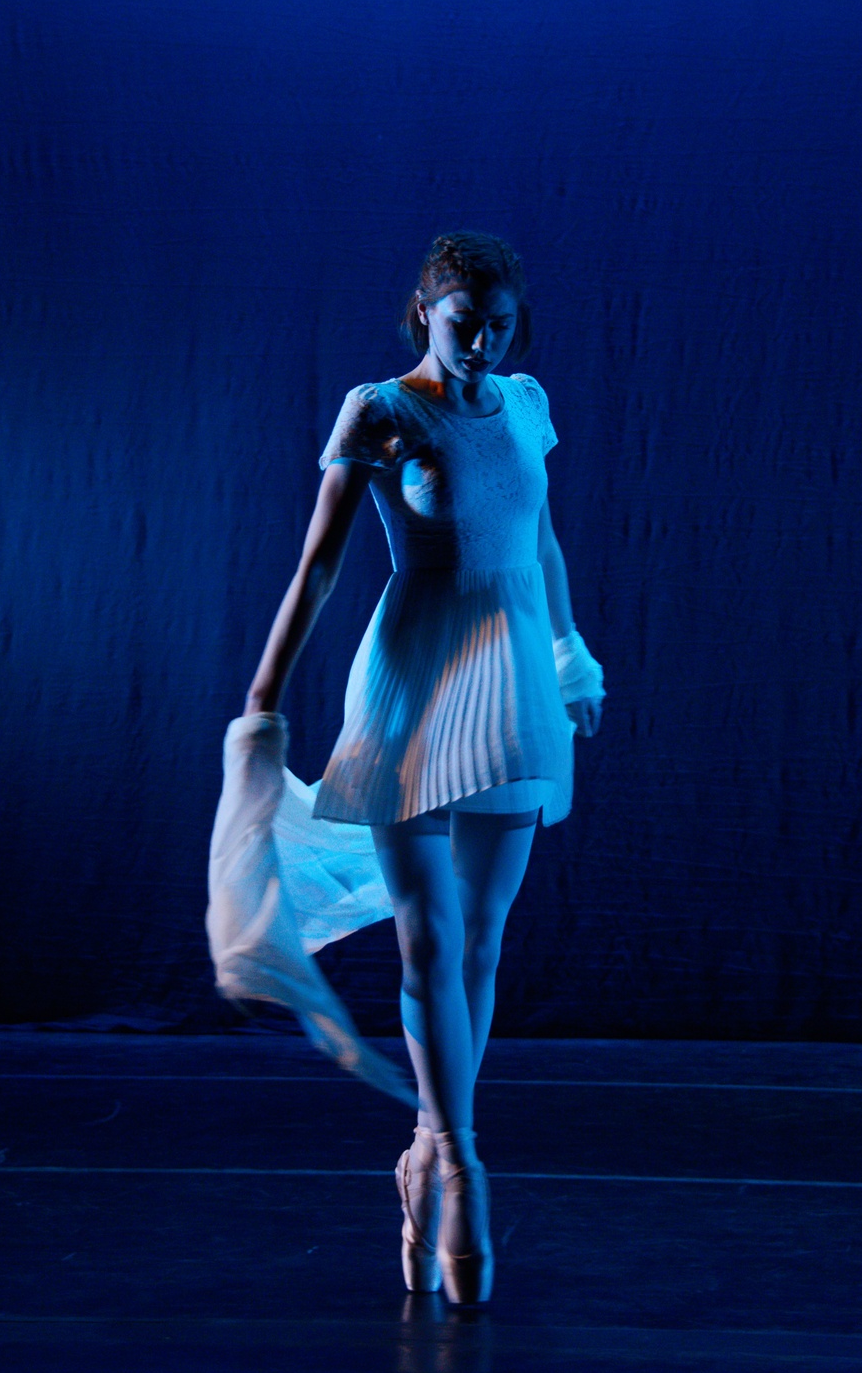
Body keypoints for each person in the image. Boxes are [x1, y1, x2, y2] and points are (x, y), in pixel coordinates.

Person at [239, 231, 604, 1304]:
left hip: (514, 690)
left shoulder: (525, 404)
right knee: (428, 941)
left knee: (480, 944)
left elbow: (540, 541)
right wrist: (262, 698)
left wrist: (568, 655)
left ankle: (424, 1152)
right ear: (423, 312)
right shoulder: (382, 409)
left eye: (499, 326)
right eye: (462, 324)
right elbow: (316, 567)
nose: (481, 344)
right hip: (413, 687)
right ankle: (457, 1161)